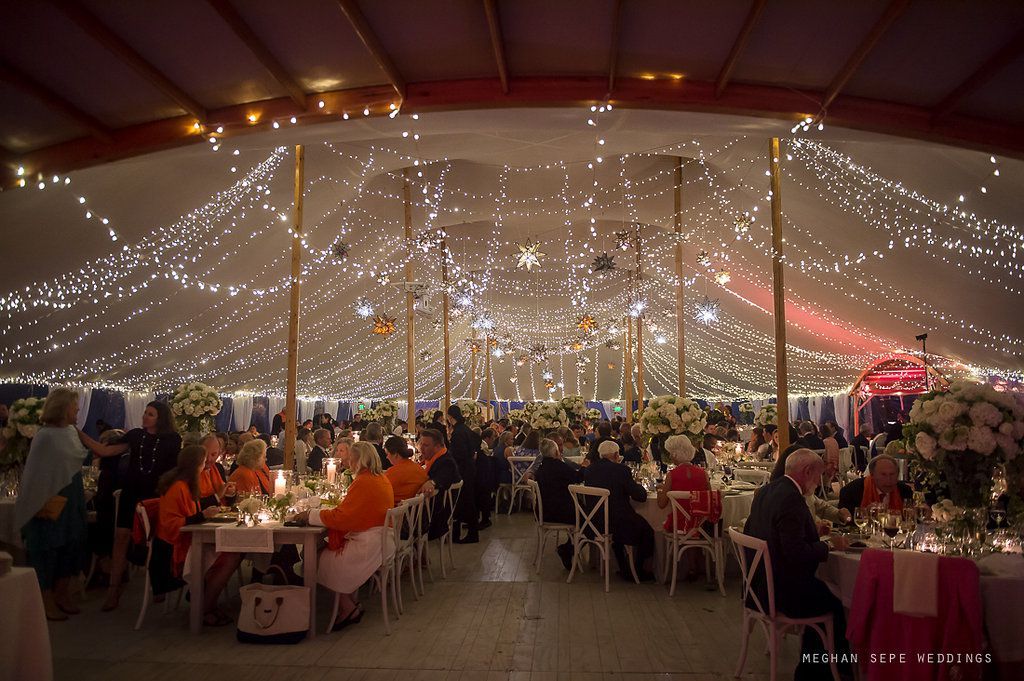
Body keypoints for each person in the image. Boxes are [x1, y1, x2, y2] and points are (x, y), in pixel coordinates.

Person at [742, 449, 851, 680]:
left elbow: (770, 533)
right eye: (818, 476)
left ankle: (815, 668)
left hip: (758, 587)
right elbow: (796, 553)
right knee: (841, 602)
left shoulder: (766, 491)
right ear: (807, 471)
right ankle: (827, 670)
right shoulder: (792, 499)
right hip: (784, 593)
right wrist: (830, 546)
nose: (819, 482)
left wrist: (811, 531)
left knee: (826, 591)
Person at [16, 388, 116, 620]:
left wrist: (128, 444)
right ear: (63, 408)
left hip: (72, 493)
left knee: (73, 543)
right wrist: (40, 500)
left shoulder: (72, 431)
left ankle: (62, 592)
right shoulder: (45, 435)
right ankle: (46, 598)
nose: (78, 412)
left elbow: (97, 451)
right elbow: (38, 474)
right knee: (49, 547)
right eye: (75, 408)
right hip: (50, 496)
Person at [77, 400, 181, 611]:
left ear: (161, 417)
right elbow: (105, 452)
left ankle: (158, 583)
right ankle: (114, 591)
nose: (145, 416)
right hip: (131, 493)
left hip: (156, 496)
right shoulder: (135, 435)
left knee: (156, 539)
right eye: (145, 412)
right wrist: (78, 432)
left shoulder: (172, 439)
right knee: (121, 538)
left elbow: (175, 471)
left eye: (150, 414)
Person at [294, 441, 394, 631]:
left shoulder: (364, 482)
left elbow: (344, 518)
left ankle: (346, 607)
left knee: (314, 559)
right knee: (319, 553)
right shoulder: (378, 477)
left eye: (350, 459)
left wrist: (311, 515)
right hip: (380, 539)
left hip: (369, 544)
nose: (347, 462)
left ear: (358, 460)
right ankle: (347, 603)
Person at [153, 445, 241, 625]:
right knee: (232, 555)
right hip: (174, 547)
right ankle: (205, 607)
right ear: (196, 465)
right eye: (203, 462)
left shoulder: (186, 483)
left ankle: (203, 597)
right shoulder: (178, 487)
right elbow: (170, 524)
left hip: (189, 538)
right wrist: (203, 515)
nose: (206, 466)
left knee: (235, 551)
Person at [583, 440, 655, 582]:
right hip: (618, 523)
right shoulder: (621, 471)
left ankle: (624, 567)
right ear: (616, 455)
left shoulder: (589, 470)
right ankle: (639, 569)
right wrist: (641, 486)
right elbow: (640, 497)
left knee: (624, 527)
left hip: (593, 522)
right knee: (647, 530)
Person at [534, 437, 582, 569]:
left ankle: (569, 548)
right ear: (555, 453)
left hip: (543, 511)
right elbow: (577, 477)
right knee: (588, 520)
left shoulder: (542, 467)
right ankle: (568, 549)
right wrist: (585, 467)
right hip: (558, 512)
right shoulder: (558, 466)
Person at [656, 435, 710, 531]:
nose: (669, 456)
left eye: (670, 453)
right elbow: (709, 500)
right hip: (701, 525)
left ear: (675, 455)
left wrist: (660, 489)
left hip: (679, 525)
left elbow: (661, 504)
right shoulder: (704, 474)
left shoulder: (672, 475)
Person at [416, 428, 462, 540]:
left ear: (437, 447)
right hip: (429, 510)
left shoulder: (446, 461)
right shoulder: (436, 458)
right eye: (420, 444)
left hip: (434, 517)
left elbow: (443, 477)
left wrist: (432, 482)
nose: (421, 448)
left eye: (426, 445)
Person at [446, 404, 480, 544]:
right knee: (466, 500)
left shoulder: (458, 432)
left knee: (465, 501)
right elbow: (477, 441)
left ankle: (471, 534)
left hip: (463, 469)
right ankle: (465, 533)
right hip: (469, 467)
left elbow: (458, 455)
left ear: (450, 417)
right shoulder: (465, 429)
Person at [838, 454, 913, 516]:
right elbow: (845, 522)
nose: (889, 479)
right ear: (872, 475)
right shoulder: (851, 491)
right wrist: (864, 514)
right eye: (883, 475)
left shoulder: (905, 491)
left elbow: (911, 520)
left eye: (892, 474)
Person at [383, 435, 427, 503]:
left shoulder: (393, 473)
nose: (386, 457)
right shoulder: (419, 469)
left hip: (396, 511)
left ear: (396, 454)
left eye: (387, 453)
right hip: (414, 510)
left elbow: (380, 492)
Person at [198, 433, 232, 507]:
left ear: (219, 453)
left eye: (213, 455)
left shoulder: (219, 467)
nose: (209, 459)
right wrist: (217, 496)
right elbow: (194, 505)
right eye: (205, 454)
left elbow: (226, 497)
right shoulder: (193, 471)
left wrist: (230, 492)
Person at [477, 427, 498, 529]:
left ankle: (484, 519)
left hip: (483, 474)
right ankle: (484, 519)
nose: (493, 440)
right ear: (487, 438)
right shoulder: (481, 446)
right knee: (483, 495)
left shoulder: (482, 446)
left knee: (483, 495)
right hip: (482, 474)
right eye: (493, 438)